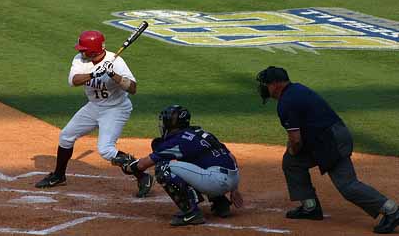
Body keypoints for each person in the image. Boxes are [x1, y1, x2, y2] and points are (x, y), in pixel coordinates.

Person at [256, 66, 399, 234]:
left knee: (347, 185)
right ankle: (310, 207)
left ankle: (392, 211)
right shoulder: (297, 89)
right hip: (334, 135)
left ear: (275, 84)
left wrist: (293, 149)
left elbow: (295, 140)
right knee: (292, 162)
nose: (264, 87)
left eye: (266, 83)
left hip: (330, 142)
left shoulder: (286, 102)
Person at [35, 30, 154, 198]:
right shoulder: (80, 60)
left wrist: (114, 75)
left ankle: (143, 176)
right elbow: (73, 81)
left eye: (83, 49)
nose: (80, 51)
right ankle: (59, 176)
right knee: (66, 136)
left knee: (106, 150)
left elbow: (133, 89)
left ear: (93, 50)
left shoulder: (117, 62)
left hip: (116, 109)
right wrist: (93, 73)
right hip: (94, 106)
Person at [112, 105, 243, 226]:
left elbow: (142, 165)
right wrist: (234, 189)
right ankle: (221, 204)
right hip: (233, 178)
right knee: (195, 162)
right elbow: (231, 158)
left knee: (163, 167)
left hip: (215, 182)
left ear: (170, 123)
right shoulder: (199, 132)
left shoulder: (178, 141)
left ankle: (191, 213)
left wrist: (127, 166)